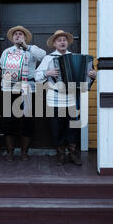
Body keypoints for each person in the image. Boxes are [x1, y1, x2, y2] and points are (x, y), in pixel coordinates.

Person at [35, 30, 96, 166]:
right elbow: (37, 76)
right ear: (54, 44)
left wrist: (92, 74)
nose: (62, 42)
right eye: (59, 40)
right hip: (54, 98)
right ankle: (61, 154)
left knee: (72, 127)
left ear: (67, 42)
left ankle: (72, 154)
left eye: (64, 40)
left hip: (72, 98)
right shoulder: (48, 58)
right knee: (57, 127)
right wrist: (47, 72)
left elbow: (87, 75)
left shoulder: (77, 57)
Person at [0, 25, 46, 162]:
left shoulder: (32, 50)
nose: (18, 36)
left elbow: (43, 56)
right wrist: (0, 71)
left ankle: (24, 152)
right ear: (12, 38)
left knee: (27, 121)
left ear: (25, 37)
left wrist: (26, 46)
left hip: (27, 89)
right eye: (15, 34)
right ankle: (10, 151)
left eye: (20, 34)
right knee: (8, 121)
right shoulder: (7, 51)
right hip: (9, 89)